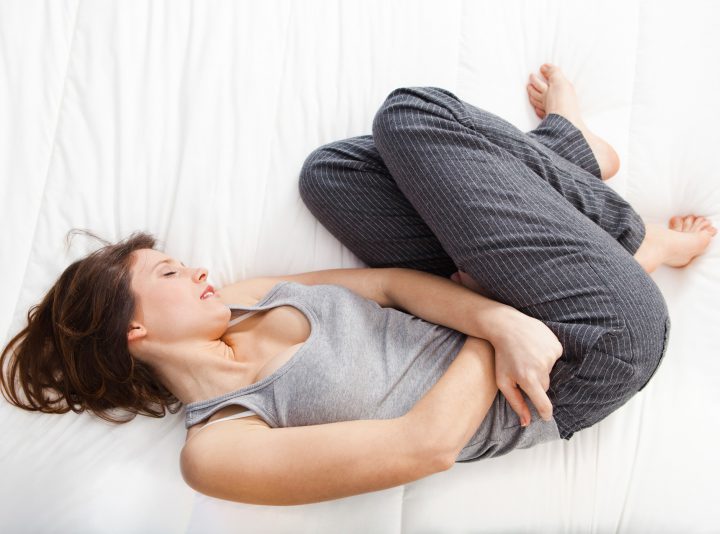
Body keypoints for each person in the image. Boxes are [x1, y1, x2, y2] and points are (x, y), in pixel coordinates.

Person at [0, 64, 714, 507]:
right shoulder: (217, 450)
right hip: (581, 363)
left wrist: (497, 314)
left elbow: (392, 285)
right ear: (134, 329)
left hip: (503, 320)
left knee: (333, 175)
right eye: (169, 274)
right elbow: (424, 444)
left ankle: (572, 159)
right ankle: (625, 229)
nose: (197, 271)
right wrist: (503, 320)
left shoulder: (251, 293)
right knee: (410, 114)